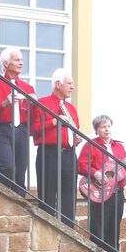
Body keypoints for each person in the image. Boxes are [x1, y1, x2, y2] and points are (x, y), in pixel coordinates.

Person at [77, 115, 126, 252]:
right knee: (98, 227)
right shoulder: (91, 145)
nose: (106, 129)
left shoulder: (119, 146)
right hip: (99, 191)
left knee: (114, 227)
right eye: (102, 127)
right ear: (97, 130)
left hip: (117, 193)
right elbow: (81, 165)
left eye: (108, 126)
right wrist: (95, 173)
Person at [32, 68, 82, 227]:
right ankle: (46, 231)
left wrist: (76, 139)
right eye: (69, 83)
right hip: (49, 153)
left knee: (69, 195)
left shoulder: (71, 108)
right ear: (58, 84)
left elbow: (75, 129)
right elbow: (34, 129)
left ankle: (68, 231)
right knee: (47, 193)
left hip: (68, 154)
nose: (72, 87)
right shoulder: (42, 103)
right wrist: (54, 122)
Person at [0, 47, 36, 196]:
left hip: (22, 131)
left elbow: (33, 116)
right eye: (16, 60)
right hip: (2, 130)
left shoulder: (27, 88)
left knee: (20, 174)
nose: (21, 63)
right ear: (6, 64)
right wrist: (4, 104)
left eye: (21, 60)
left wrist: (34, 105)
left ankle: (19, 207)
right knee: (8, 167)